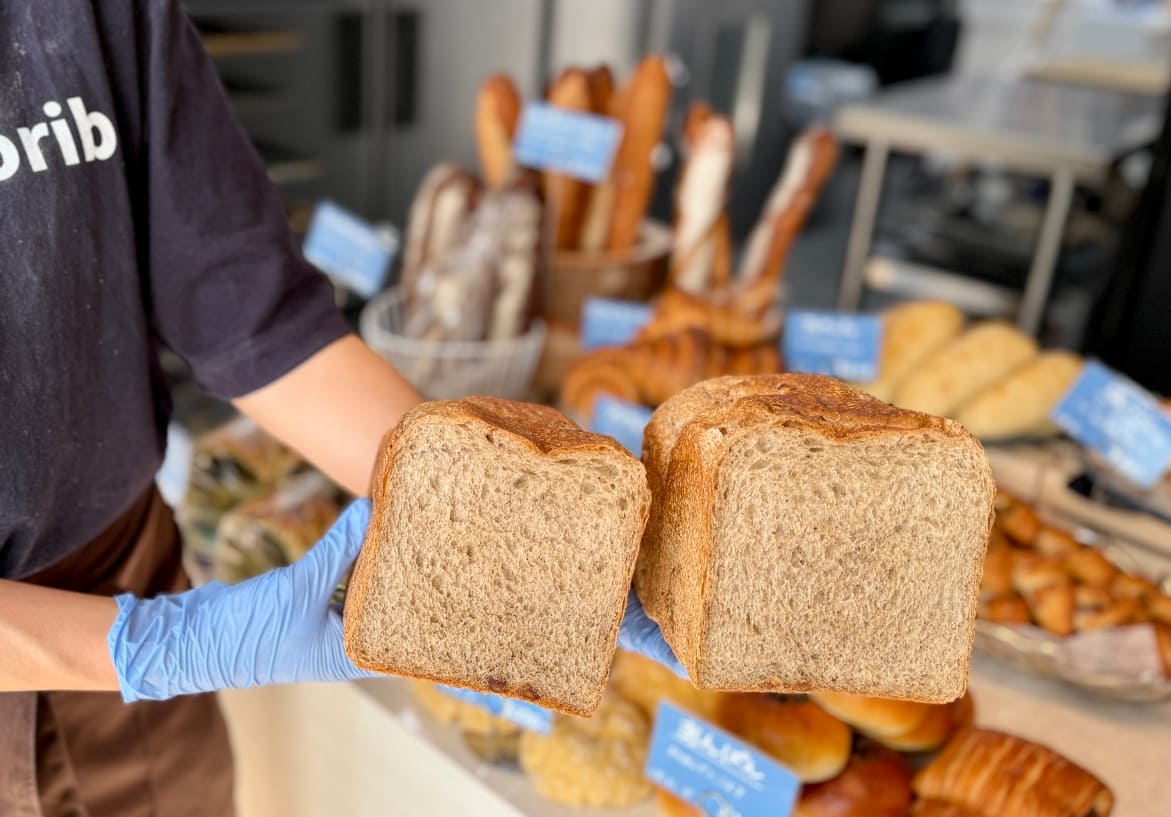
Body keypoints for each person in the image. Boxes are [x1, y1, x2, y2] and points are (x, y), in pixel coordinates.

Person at [0, 3, 680, 815]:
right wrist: (156, 647)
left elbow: (253, 318)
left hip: (127, 605)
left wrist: (483, 521)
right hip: (125, 640)